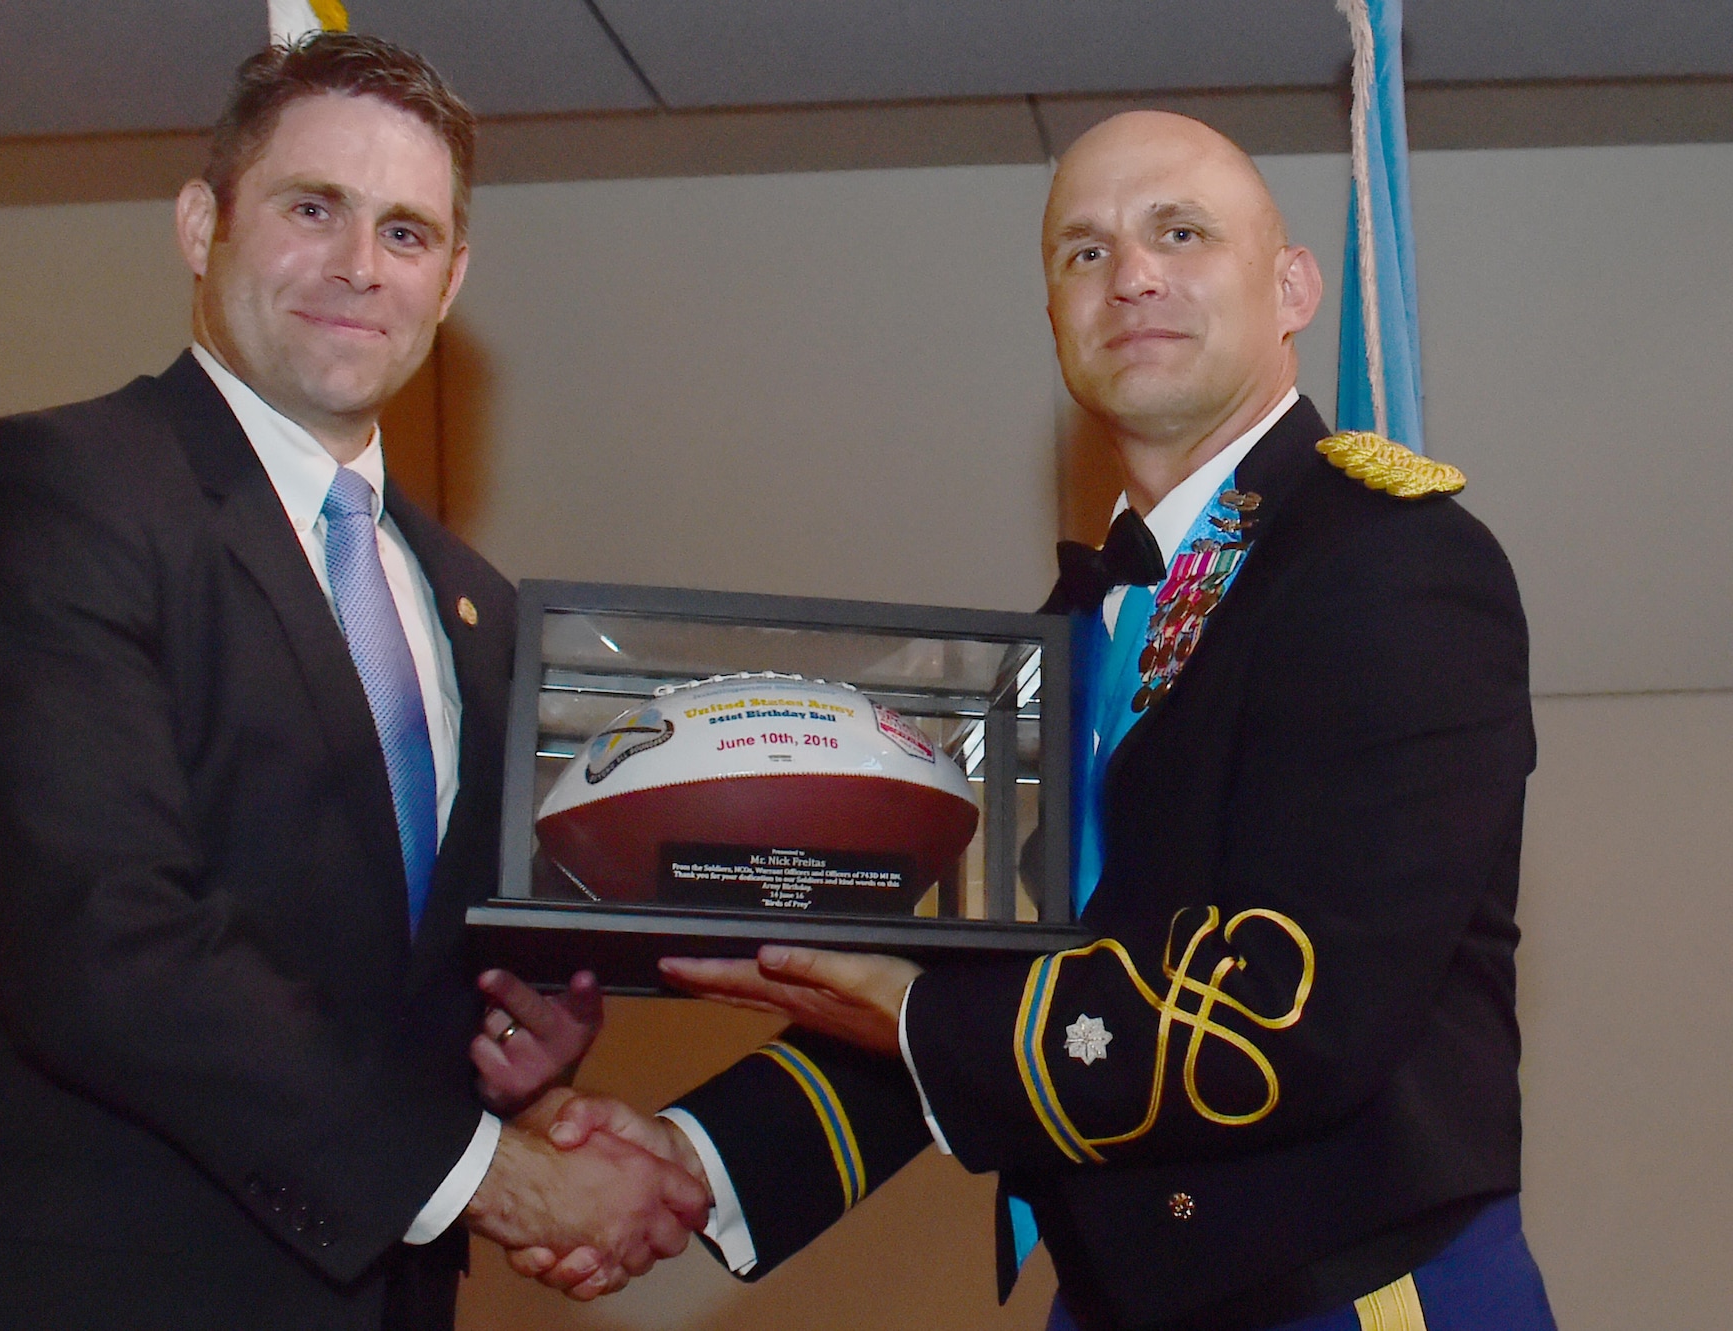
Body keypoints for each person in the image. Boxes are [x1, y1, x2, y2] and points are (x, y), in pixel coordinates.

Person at [517, 111, 1556, 1329]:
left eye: (1180, 232)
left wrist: (910, 1010)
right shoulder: (1065, 629)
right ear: (1054, 318)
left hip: (1354, 1295)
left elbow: (1286, 1007)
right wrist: (693, 1158)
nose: (1133, 275)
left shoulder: (1393, 562)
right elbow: (953, 987)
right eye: (1084, 252)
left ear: (1291, 288)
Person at [0, 33, 704, 1331]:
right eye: (314, 209)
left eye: (407, 233)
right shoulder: (48, 496)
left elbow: (406, 978)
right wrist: (494, 1178)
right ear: (202, 225)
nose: (361, 265)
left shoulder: (480, 607)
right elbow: (104, 941)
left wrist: (511, 1065)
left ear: (453, 276)